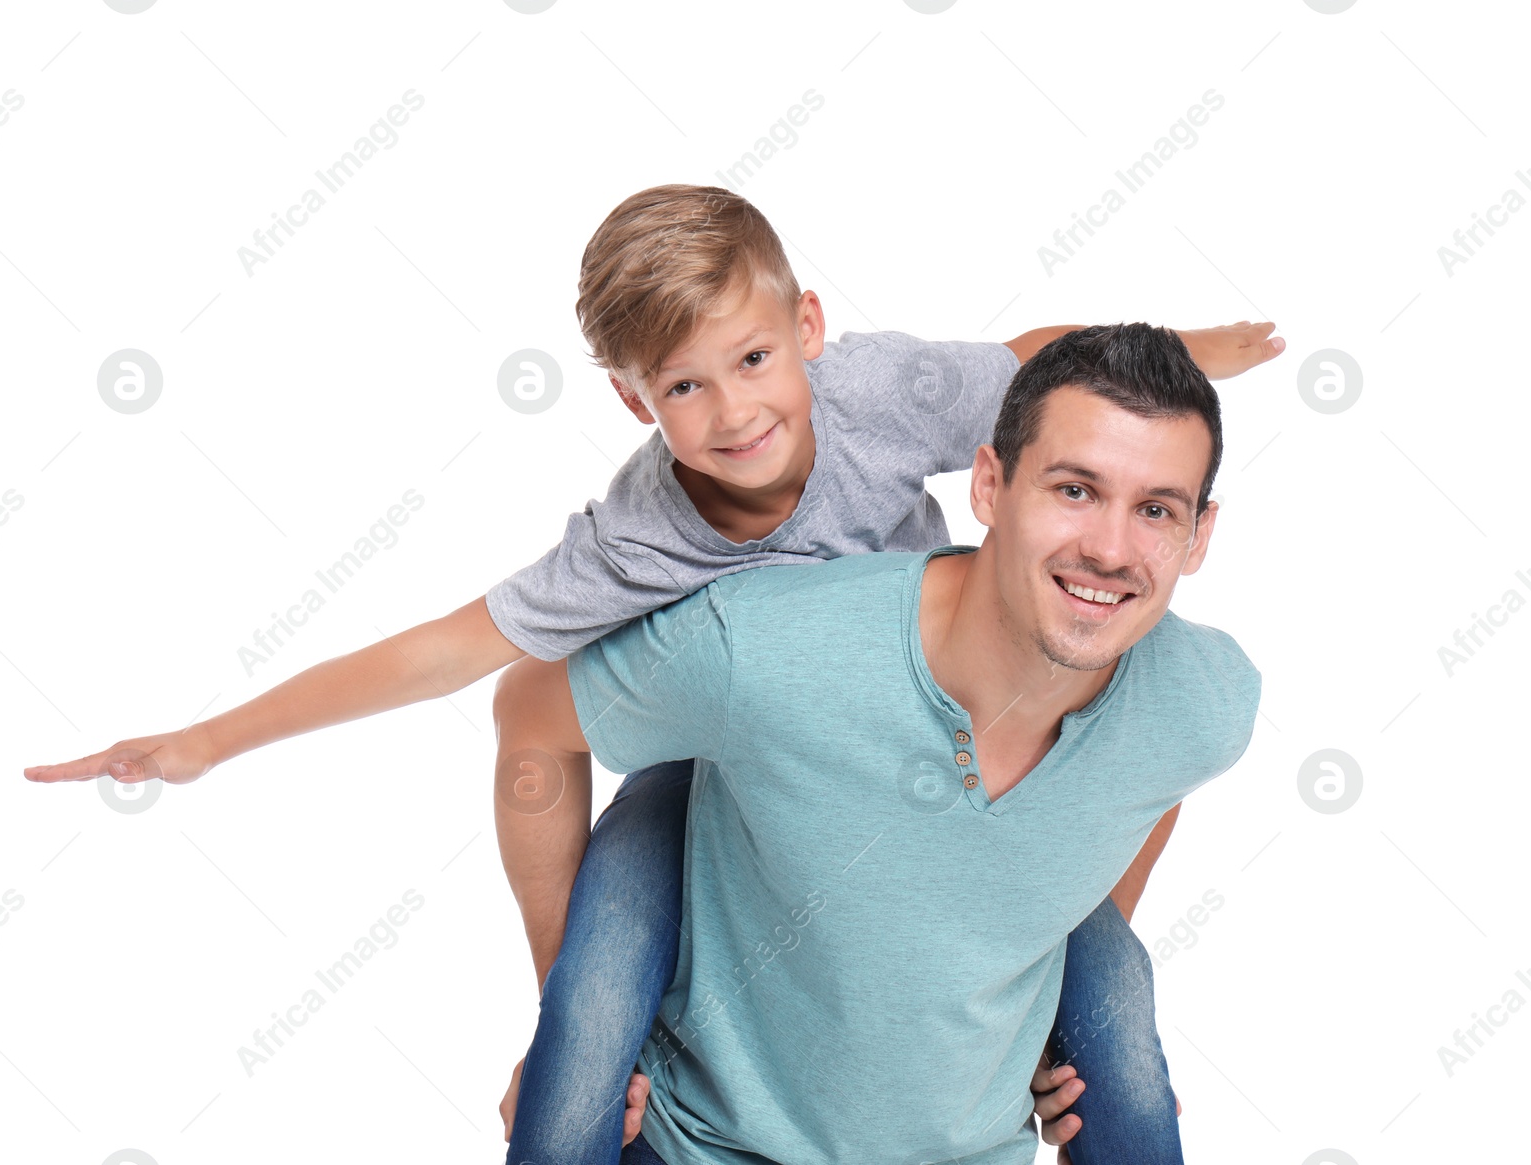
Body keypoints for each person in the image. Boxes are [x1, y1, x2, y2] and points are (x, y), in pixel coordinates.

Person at [20, 185, 1281, 1162]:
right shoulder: (641, 537)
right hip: (708, 762)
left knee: (1122, 1035)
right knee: (578, 1049)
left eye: (751, 361)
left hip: (932, 721)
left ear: (809, 329)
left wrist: (1199, 346)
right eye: (683, 385)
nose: (735, 414)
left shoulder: (884, 398)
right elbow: (456, 658)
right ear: (634, 404)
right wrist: (208, 739)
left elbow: (1042, 370)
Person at [494, 320, 1263, 1164]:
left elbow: (1158, 773)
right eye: (1074, 490)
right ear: (988, 485)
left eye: (1156, 509)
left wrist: (1056, 996)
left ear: (1199, 536)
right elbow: (532, 711)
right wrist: (572, 1024)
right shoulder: (763, 650)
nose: (1110, 549)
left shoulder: (1205, 696)